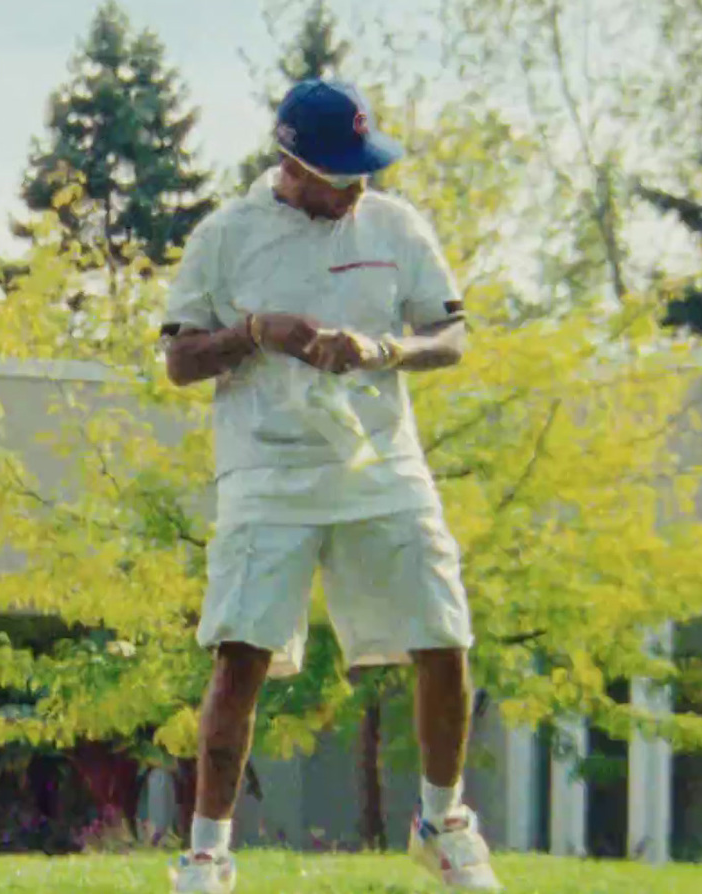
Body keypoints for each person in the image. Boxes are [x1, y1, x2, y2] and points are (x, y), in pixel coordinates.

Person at [159, 79, 499, 892]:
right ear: (290, 163)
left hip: (383, 464)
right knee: (240, 655)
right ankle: (206, 855)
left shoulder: (396, 224)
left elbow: (450, 336)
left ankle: (442, 823)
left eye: (364, 168)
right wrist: (254, 332)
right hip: (267, 471)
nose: (357, 187)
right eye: (339, 173)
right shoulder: (224, 236)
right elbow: (176, 361)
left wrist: (384, 352)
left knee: (445, 634)